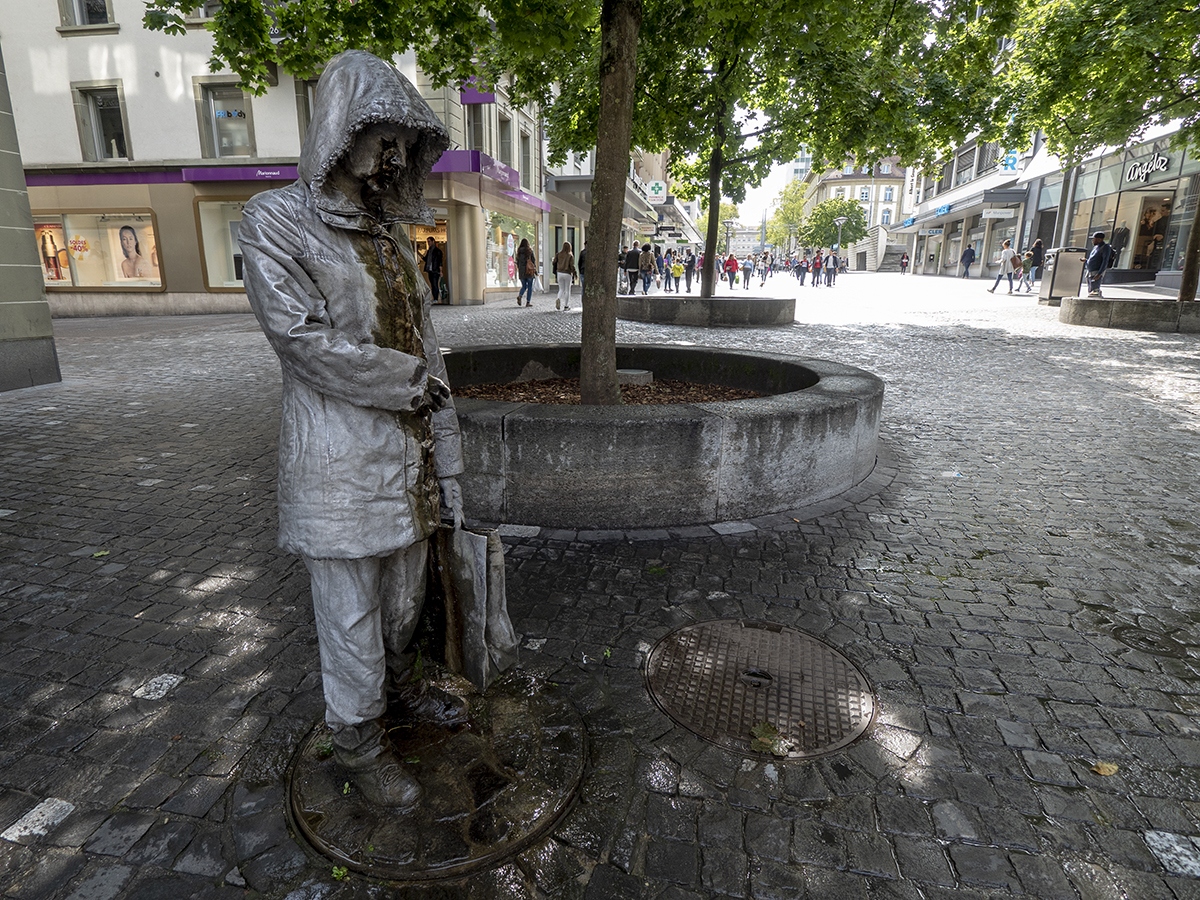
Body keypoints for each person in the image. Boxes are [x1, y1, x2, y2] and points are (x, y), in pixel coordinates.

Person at [239, 50, 466, 810]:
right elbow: (300, 341)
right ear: (339, 129)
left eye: (405, 140)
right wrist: (407, 384)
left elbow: (428, 344)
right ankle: (358, 741)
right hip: (335, 462)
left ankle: (396, 699)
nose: (394, 155)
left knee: (404, 604)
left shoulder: (395, 235)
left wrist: (451, 458)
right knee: (350, 612)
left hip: (408, 460)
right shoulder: (273, 220)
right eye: (380, 134)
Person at [1085, 231, 1115, 297]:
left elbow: (1105, 261)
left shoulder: (1105, 247)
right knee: (1091, 290)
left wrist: (1099, 273)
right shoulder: (1096, 247)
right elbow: (1093, 258)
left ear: (1099, 239)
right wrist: (1086, 261)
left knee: (1095, 290)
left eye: (1094, 239)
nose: (1092, 241)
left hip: (1096, 271)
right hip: (1090, 271)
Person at [554, 241, 577, 310]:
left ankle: (558, 298)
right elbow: (572, 266)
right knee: (567, 290)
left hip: (559, 273)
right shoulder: (570, 255)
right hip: (567, 273)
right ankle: (566, 306)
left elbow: (554, 262)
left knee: (561, 289)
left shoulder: (558, 254)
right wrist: (575, 273)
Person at [422, 236, 444, 302]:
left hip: (435, 270)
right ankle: (434, 297)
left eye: (429, 241)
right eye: (427, 242)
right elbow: (425, 259)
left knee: (435, 284)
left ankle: (436, 298)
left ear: (433, 241)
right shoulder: (429, 251)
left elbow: (440, 261)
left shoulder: (437, 251)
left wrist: (440, 271)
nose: (428, 243)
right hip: (430, 270)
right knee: (432, 284)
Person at [515, 238, 536, 307]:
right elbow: (533, 261)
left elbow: (517, 262)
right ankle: (528, 302)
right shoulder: (529, 251)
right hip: (529, 271)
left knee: (524, 286)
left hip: (521, 271)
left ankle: (520, 296)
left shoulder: (518, 252)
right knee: (529, 286)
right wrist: (535, 270)